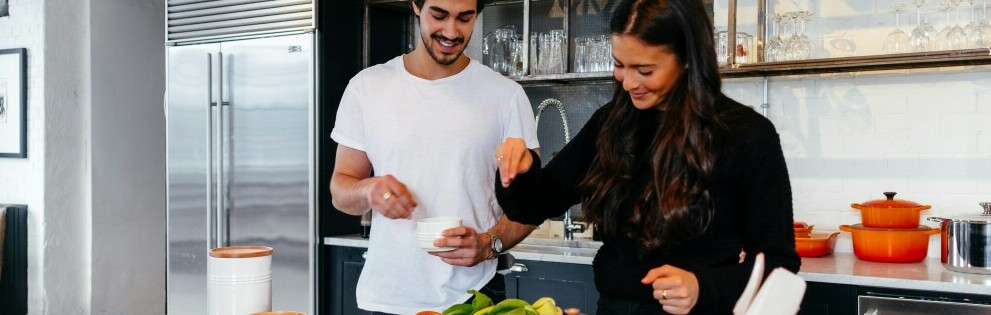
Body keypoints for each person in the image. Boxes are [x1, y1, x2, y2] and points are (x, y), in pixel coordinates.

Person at [493, 0, 801, 313]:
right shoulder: (610, 123)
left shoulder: (747, 134)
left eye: (644, 70)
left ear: (687, 59)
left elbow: (778, 264)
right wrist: (520, 170)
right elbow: (533, 206)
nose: (627, 82)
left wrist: (703, 286)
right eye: (619, 64)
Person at [329, 0, 541, 313]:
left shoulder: (506, 95)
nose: (452, 31)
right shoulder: (367, 88)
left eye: (465, 18)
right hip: (390, 297)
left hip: (476, 293)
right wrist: (369, 190)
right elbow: (340, 190)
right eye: (439, 15)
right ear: (416, 5)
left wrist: (490, 243)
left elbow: (535, 201)